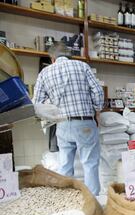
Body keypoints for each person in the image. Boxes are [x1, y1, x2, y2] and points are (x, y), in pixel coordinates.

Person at [33, 42, 104, 195]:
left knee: (65, 164)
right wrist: (97, 111)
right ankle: (94, 202)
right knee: (89, 163)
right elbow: (98, 91)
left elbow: (37, 104)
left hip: (62, 124)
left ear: (53, 58)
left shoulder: (44, 73)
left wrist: (52, 112)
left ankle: (67, 199)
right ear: (69, 55)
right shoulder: (82, 66)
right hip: (84, 122)